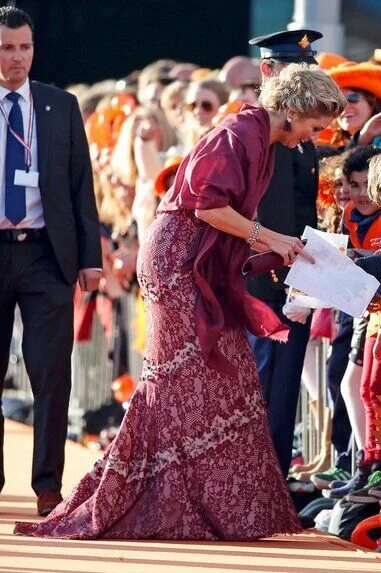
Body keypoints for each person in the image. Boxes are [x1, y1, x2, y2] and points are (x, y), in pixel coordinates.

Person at [14, 64, 346, 540]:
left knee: (218, 376)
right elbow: (206, 206)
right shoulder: (239, 133)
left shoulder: (260, 138)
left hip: (195, 263)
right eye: (315, 126)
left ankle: (199, 504)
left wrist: (275, 245)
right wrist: (270, 236)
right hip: (176, 265)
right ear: (292, 111)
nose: (316, 136)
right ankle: (154, 500)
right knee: (181, 381)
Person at [0, 6, 102, 517]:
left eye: (24, 47)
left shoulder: (60, 106)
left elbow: (82, 185)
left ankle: (47, 486)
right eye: (6, 48)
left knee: (51, 374)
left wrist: (91, 258)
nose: (17, 58)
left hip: (46, 254)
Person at [245, 28, 326, 477]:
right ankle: (258, 486)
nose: (303, 82)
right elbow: (270, 216)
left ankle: (268, 484)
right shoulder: (263, 133)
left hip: (292, 276)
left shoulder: (298, 135)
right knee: (265, 385)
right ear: (267, 72)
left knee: (282, 388)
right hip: (266, 280)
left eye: (308, 71)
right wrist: (287, 282)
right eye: (293, 73)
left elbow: (302, 213)